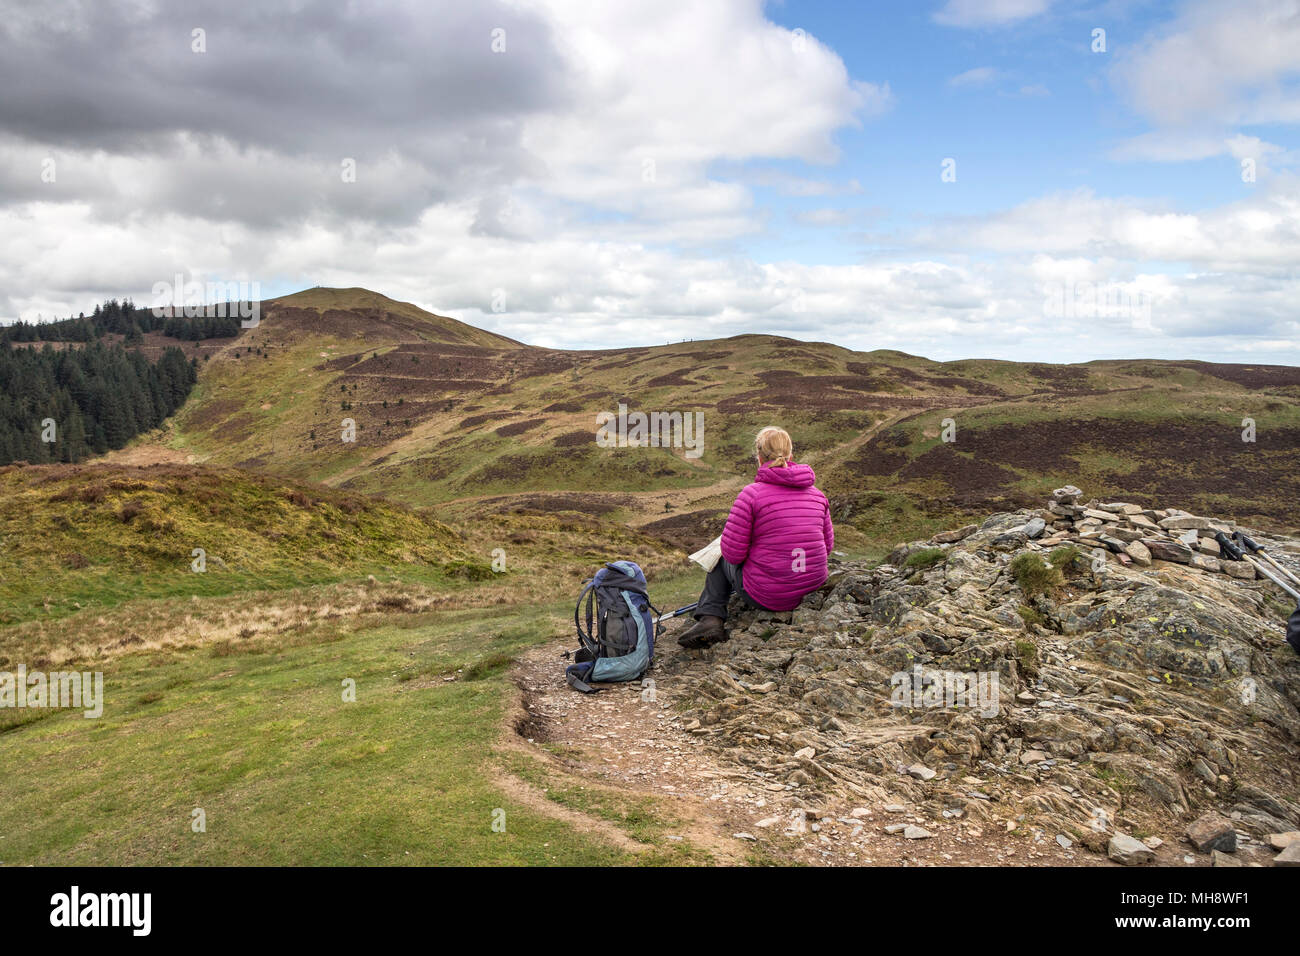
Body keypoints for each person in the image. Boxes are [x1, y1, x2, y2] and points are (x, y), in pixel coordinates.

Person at [677, 426, 833, 648]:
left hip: (769, 596)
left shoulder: (751, 494)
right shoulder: (818, 495)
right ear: (791, 455)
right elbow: (827, 547)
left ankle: (711, 617)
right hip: (810, 588)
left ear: (759, 457)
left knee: (720, 556)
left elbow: (733, 554)